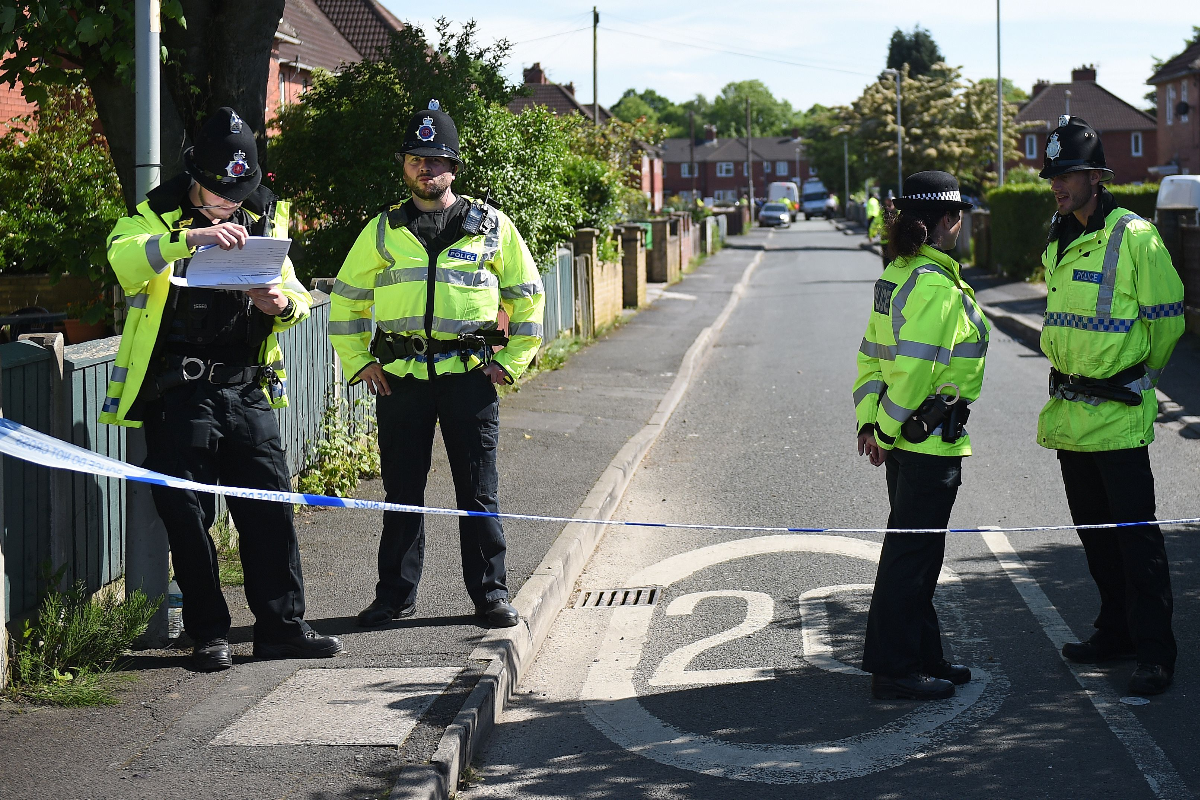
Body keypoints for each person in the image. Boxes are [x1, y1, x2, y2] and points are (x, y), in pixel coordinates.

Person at [102, 107, 342, 671]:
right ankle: (208, 633)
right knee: (187, 515)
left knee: (270, 508)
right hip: (180, 393)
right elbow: (123, 261)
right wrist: (189, 239)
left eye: (240, 192)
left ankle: (281, 628)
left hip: (247, 389)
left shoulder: (265, 215)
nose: (232, 204)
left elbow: (296, 294)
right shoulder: (154, 214)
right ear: (195, 176)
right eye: (221, 194)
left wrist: (281, 305)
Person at [329, 100, 544, 629]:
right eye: (416, 160)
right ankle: (394, 597)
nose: (426, 169)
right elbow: (346, 300)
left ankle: (491, 594)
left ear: (454, 167)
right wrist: (360, 362)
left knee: (478, 490)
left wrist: (511, 362)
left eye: (436, 160)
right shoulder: (383, 230)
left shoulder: (491, 227)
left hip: (469, 378)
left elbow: (528, 297)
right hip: (400, 381)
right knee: (402, 492)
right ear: (404, 167)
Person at [1036, 116, 1184, 696]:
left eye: (1068, 174)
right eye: (1052, 175)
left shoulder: (1135, 236)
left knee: (1135, 538)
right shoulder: (1058, 235)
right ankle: (1115, 630)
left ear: (1096, 176)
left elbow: (1166, 321)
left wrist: (1139, 377)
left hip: (1119, 411)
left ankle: (1155, 652)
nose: (1057, 184)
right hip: (1070, 411)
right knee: (1095, 535)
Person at [852, 171, 990, 700]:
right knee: (911, 557)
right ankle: (894, 670)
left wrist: (871, 423)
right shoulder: (933, 284)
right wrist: (886, 433)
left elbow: (871, 357)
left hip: (905, 439)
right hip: (927, 441)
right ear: (946, 220)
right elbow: (912, 373)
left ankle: (924, 655)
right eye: (958, 217)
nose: (961, 225)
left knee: (919, 553)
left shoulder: (897, 273)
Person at [876, 191, 896, 269]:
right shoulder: (882, 212)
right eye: (888, 200)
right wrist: (871, 234)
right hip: (885, 241)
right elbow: (875, 223)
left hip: (895, 241)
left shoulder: (898, 212)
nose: (889, 203)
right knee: (886, 261)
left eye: (891, 201)